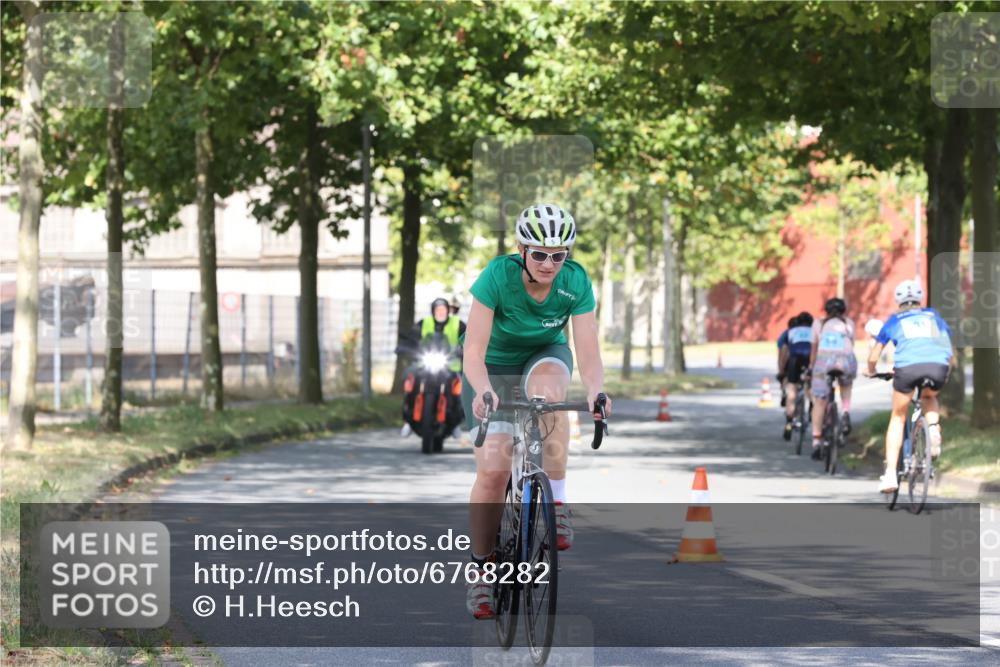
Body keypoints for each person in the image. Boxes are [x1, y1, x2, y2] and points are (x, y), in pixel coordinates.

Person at [461, 203, 612, 619]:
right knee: (492, 470)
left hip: (544, 355)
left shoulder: (575, 282)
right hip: (491, 366)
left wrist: (597, 392)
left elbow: (588, 350)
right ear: (521, 250)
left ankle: (558, 503)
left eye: (559, 255)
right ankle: (481, 570)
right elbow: (472, 349)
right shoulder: (497, 275)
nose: (549, 263)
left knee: (549, 398)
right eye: (540, 254)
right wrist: (484, 390)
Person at [865, 279, 954, 494]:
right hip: (937, 366)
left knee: (898, 416)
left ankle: (890, 477)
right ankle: (932, 429)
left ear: (898, 301)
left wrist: (871, 370)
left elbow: (874, 355)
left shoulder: (895, 320)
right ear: (920, 299)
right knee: (929, 397)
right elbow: (949, 349)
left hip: (908, 369)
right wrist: (946, 372)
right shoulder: (934, 316)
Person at [399, 298, 467, 438]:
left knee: (462, 386)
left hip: (450, 365)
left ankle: (455, 423)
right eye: (438, 310)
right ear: (433, 311)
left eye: (444, 310)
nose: (441, 313)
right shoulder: (424, 323)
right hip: (425, 363)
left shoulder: (457, 324)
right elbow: (412, 337)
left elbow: (468, 338)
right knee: (409, 379)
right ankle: (407, 420)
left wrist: (465, 349)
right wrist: (405, 347)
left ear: (448, 310)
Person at [808, 297, 857, 460]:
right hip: (845, 360)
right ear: (844, 310)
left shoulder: (818, 324)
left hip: (824, 361)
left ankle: (816, 440)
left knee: (820, 401)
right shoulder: (849, 323)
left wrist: (810, 367)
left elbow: (814, 349)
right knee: (846, 384)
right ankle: (845, 411)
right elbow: (851, 346)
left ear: (826, 310)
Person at [780, 311, 814, 440]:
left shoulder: (791, 331)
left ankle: (789, 421)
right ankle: (813, 405)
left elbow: (784, 351)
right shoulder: (814, 331)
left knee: (792, 390)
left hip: (795, 359)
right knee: (810, 386)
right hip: (810, 358)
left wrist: (783, 370)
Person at [776, 316, 797, 408]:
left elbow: (782, 353)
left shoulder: (786, 334)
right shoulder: (809, 331)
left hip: (791, 359)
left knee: (786, 375)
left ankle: (785, 391)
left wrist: (781, 370)